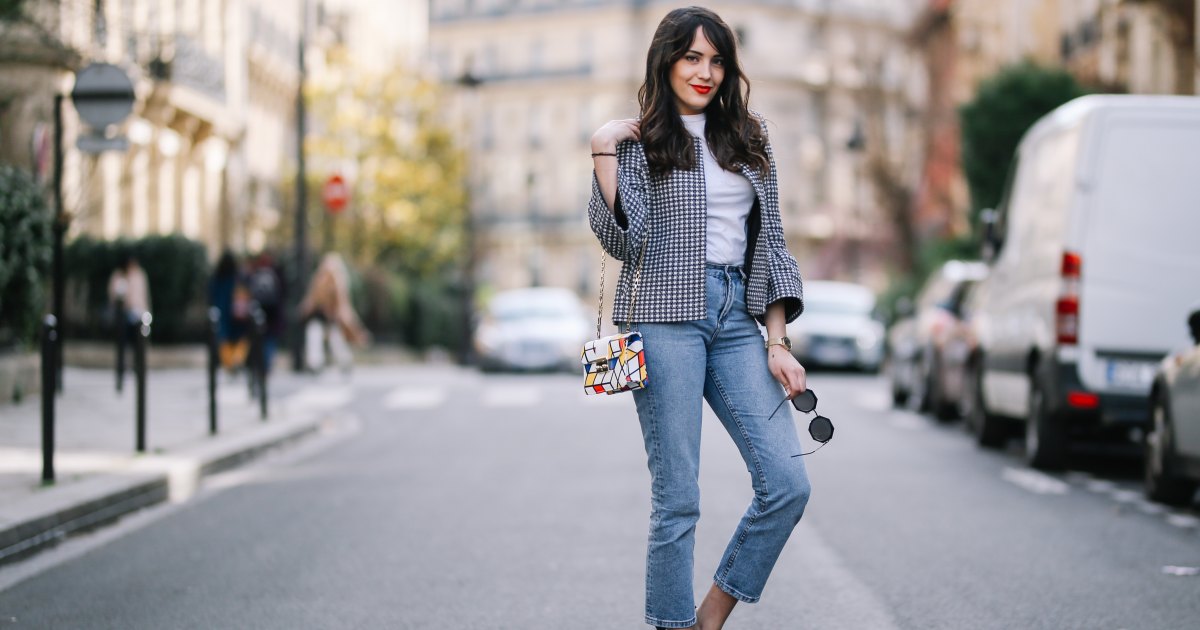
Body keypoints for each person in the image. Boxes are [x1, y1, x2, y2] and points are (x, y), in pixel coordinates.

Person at [587, 7, 810, 629]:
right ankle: (671, 624)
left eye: (716, 60)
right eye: (692, 58)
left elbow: (771, 244)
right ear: (666, 62)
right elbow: (622, 241)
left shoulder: (749, 135)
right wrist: (605, 150)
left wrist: (777, 340)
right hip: (662, 319)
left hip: (738, 317)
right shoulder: (641, 141)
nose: (706, 72)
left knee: (788, 484)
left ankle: (710, 615)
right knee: (678, 498)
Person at [299, 253, 369, 372]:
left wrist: (348, 321)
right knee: (314, 335)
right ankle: (315, 363)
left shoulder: (338, 283)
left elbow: (343, 304)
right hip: (319, 316)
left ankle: (345, 362)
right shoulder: (318, 281)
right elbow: (311, 299)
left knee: (335, 339)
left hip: (332, 317)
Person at [208, 251, 249, 373]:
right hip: (235, 313)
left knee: (223, 338)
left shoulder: (216, 278)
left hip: (222, 312)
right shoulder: (237, 277)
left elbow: (211, 295)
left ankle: (229, 364)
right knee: (240, 337)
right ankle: (237, 359)